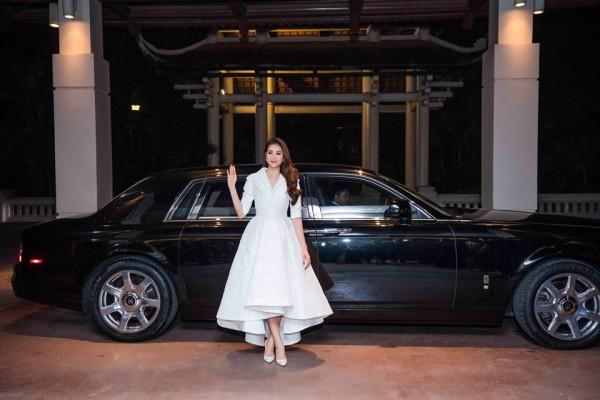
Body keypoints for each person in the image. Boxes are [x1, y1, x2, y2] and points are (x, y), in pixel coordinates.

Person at [216, 137, 333, 367]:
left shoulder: (291, 179)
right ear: (265, 155)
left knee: (278, 291)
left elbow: (296, 217)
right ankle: (278, 342)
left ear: (284, 157)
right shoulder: (254, 179)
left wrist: (303, 248)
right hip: (258, 239)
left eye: (278, 153)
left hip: (282, 239)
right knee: (265, 291)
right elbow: (241, 212)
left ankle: (271, 341)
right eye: (270, 152)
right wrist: (231, 186)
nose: (273, 157)